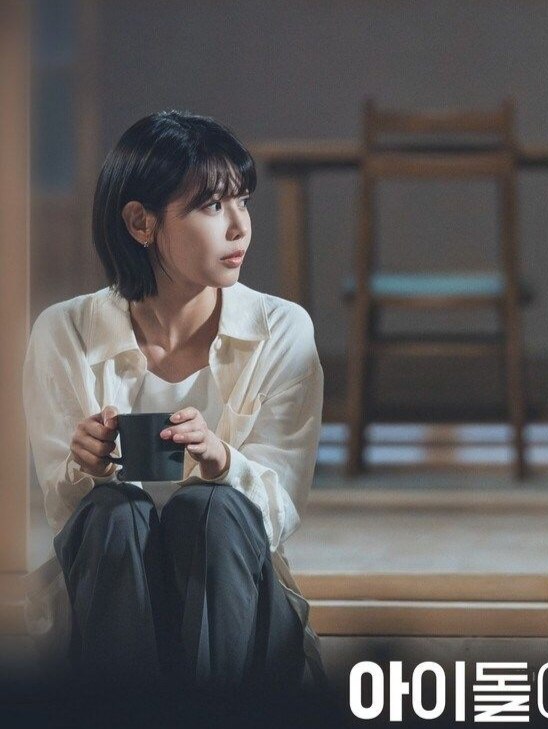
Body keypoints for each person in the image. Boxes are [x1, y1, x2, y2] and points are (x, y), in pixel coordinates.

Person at [21, 111, 325, 697]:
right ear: (141, 222)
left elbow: (279, 508)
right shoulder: (66, 332)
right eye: (212, 206)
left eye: (243, 202)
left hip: (237, 608)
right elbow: (69, 521)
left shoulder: (282, 329)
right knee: (114, 512)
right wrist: (84, 465)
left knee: (212, 510)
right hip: (110, 600)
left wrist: (222, 462)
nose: (239, 227)